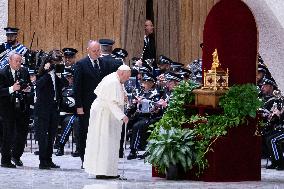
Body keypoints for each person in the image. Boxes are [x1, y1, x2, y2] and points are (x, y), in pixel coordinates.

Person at [84, 65, 131, 179]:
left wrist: (124, 98)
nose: (128, 79)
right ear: (121, 73)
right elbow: (111, 103)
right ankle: (102, 171)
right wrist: (122, 116)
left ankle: (109, 171)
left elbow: (120, 94)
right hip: (104, 115)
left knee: (111, 143)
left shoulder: (117, 79)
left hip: (109, 115)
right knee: (104, 142)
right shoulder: (113, 82)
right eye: (127, 77)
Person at [73, 40, 102, 167]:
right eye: (94, 51)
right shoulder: (81, 64)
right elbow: (77, 87)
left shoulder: (102, 63)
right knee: (85, 132)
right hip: (85, 106)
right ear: (88, 50)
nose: (97, 53)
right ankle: (84, 159)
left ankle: (96, 158)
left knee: (97, 132)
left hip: (100, 106)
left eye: (98, 51)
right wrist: (79, 106)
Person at [0, 52, 31, 168]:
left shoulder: (24, 71)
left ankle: (16, 156)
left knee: (22, 133)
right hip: (7, 108)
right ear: (10, 61)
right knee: (8, 134)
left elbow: (27, 84)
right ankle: (5, 160)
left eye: (20, 61)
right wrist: (11, 89)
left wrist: (27, 89)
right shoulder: (2, 73)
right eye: (16, 61)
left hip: (22, 107)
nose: (19, 63)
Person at [34, 50, 63, 169]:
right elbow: (38, 85)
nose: (56, 65)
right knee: (43, 136)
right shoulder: (41, 72)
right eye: (54, 63)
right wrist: (46, 72)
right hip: (43, 109)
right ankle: (42, 161)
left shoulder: (56, 73)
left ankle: (49, 159)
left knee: (52, 135)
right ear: (49, 62)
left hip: (54, 108)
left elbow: (64, 84)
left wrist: (59, 75)